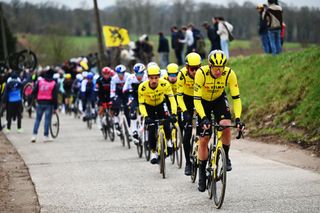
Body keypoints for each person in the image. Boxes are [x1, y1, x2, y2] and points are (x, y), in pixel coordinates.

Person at [194, 50, 244, 192]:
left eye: (221, 68)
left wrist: (239, 118)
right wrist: (203, 118)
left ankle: (226, 156)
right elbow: (196, 100)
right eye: (215, 68)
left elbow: (236, 98)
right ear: (209, 65)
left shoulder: (229, 74)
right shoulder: (201, 73)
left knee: (226, 125)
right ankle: (202, 173)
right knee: (204, 138)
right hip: (202, 102)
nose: (218, 71)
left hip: (218, 99)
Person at [138, 64, 177, 164]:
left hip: (161, 105)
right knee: (151, 128)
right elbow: (141, 104)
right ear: (148, 77)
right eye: (151, 78)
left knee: (166, 121)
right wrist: (145, 116)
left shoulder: (165, 84)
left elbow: (172, 99)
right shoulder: (142, 87)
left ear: (159, 77)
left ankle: (169, 142)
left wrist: (174, 113)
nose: (154, 81)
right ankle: (153, 152)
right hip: (148, 107)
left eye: (156, 78)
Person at [176, 52, 202, 176]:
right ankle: (187, 162)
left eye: (198, 68)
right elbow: (179, 97)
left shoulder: (202, 74)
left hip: (200, 99)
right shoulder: (181, 74)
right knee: (187, 133)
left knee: (203, 131)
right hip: (186, 100)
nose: (195, 71)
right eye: (192, 69)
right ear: (187, 68)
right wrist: (185, 111)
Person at [31, 68, 58, 143]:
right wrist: (55, 107)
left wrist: (36, 98)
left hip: (40, 103)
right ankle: (45, 136)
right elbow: (55, 97)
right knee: (47, 120)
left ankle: (34, 136)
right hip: (49, 104)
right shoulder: (53, 83)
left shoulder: (40, 82)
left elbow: (34, 92)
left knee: (37, 119)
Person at [122, 63, 145, 144]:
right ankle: (134, 130)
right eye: (137, 74)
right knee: (132, 108)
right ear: (134, 73)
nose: (139, 76)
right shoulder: (130, 78)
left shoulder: (146, 77)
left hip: (144, 95)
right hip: (133, 95)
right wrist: (128, 91)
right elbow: (124, 89)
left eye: (141, 73)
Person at [110, 64, 130, 134]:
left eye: (122, 73)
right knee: (116, 105)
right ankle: (116, 122)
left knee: (127, 108)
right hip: (118, 94)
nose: (120, 75)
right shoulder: (114, 78)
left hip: (126, 93)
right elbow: (112, 90)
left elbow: (130, 87)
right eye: (119, 73)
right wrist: (112, 98)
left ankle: (128, 125)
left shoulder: (128, 76)